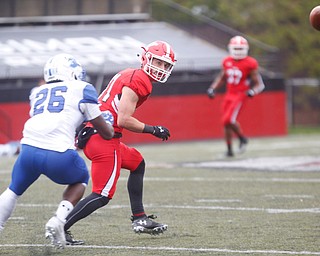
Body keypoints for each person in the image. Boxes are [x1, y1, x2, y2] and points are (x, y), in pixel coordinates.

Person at [63, 40, 177, 245]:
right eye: (158, 63)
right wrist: (153, 129)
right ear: (146, 58)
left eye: (166, 65)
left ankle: (140, 218)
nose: (161, 69)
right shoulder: (140, 79)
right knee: (102, 195)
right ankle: (59, 227)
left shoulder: (130, 73)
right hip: (105, 138)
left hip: (96, 134)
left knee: (137, 162)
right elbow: (123, 119)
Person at [0, 53, 114, 249]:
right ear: (70, 71)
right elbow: (106, 132)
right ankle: (59, 220)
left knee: (13, 190)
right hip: (58, 152)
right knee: (80, 179)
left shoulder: (37, 92)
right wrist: (107, 122)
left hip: (28, 150)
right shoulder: (82, 88)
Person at [207, 35, 265, 157]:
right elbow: (222, 78)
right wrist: (213, 88)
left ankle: (242, 138)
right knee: (225, 123)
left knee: (228, 120)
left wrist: (252, 92)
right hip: (229, 94)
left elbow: (260, 84)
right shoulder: (226, 61)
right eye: (236, 49)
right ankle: (229, 150)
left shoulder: (250, 63)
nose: (238, 51)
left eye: (240, 49)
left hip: (240, 95)